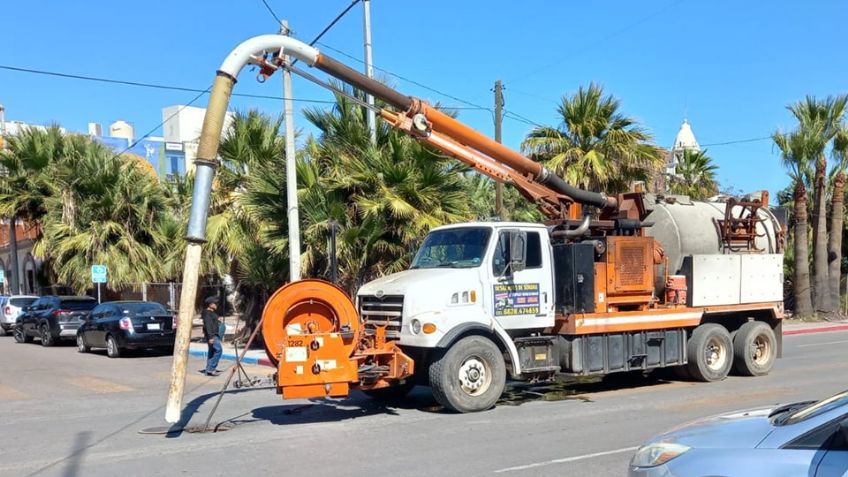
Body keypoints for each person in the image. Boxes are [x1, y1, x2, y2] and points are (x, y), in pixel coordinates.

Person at [201, 296, 223, 376]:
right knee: (218, 350)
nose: (217, 305)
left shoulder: (211, 313)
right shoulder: (207, 314)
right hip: (212, 335)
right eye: (215, 303)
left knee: (212, 351)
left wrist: (217, 320)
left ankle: (208, 369)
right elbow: (208, 325)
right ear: (210, 304)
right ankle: (211, 368)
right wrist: (210, 337)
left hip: (213, 334)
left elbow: (212, 322)